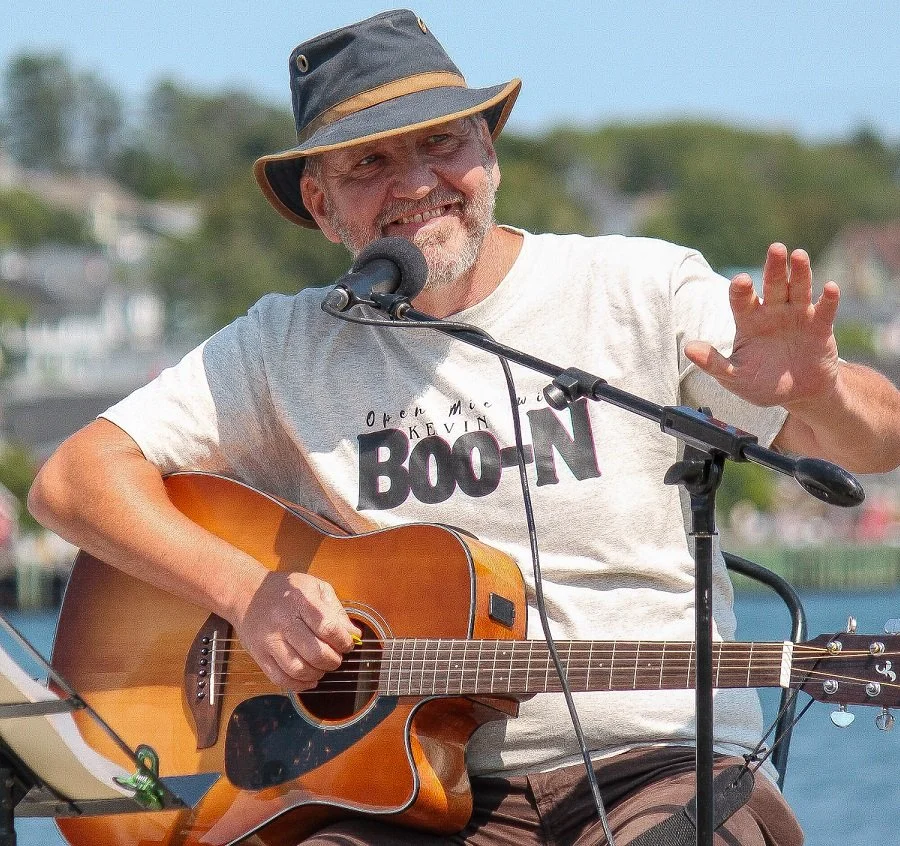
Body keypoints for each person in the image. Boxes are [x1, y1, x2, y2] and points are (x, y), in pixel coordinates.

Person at [28, 9, 900, 846]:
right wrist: (244, 592)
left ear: (489, 153)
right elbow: (72, 480)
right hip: (392, 798)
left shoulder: (640, 288)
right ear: (320, 204)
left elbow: (877, 443)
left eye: (441, 143)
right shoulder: (279, 347)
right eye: (368, 163)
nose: (414, 184)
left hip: (657, 768)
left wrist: (820, 390)